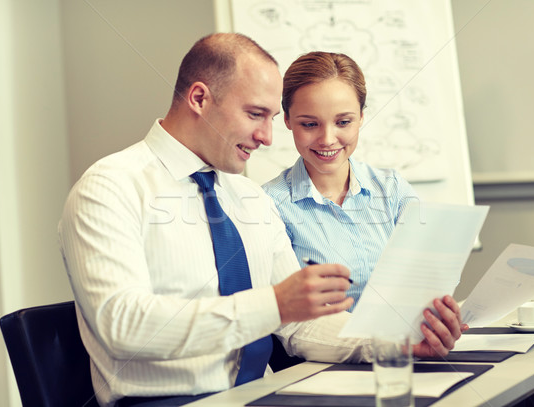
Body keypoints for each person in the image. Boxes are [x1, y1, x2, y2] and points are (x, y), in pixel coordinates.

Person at [59, 35, 464, 407]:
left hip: (262, 395)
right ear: (199, 98)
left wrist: (396, 342)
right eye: (256, 114)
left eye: (273, 117)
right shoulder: (109, 188)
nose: (268, 137)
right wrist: (273, 304)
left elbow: (300, 328)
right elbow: (122, 325)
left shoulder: (249, 198)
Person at [262, 51, 467, 317]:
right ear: (287, 120)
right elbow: (293, 320)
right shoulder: (270, 204)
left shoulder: (392, 189)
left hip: (404, 346)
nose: (327, 139)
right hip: (327, 355)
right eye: (310, 124)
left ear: (361, 116)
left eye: (343, 122)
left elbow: (430, 278)